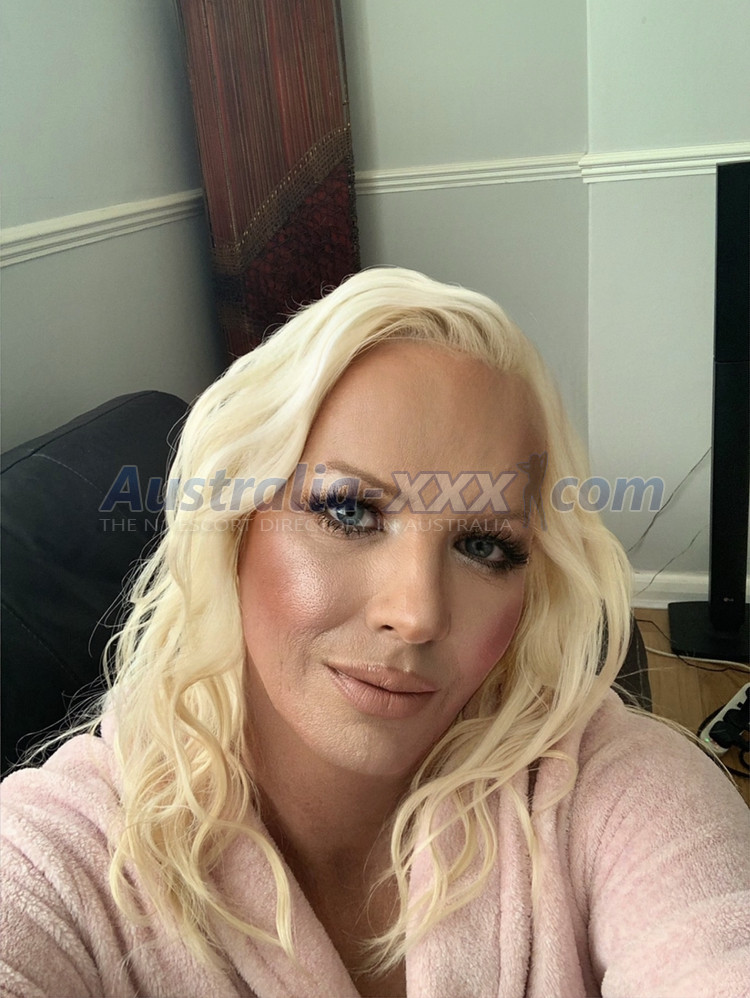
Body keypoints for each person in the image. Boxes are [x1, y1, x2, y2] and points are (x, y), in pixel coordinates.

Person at [1, 267, 748, 998]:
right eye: (348, 511)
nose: (416, 614)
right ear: (233, 525)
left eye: (484, 546)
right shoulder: (60, 858)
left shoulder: (617, 790)